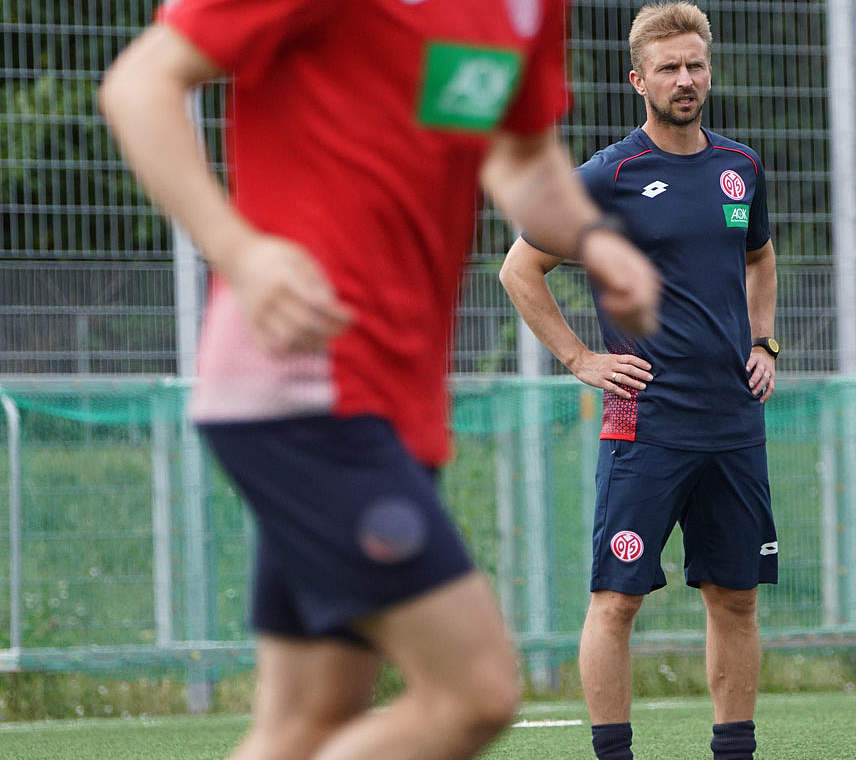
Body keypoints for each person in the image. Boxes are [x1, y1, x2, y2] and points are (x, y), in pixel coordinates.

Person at [99, 1, 660, 758]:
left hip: (395, 399)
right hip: (307, 385)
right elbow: (140, 83)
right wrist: (239, 251)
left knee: (306, 723)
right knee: (474, 693)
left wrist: (596, 241)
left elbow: (520, 159)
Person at [499, 4, 778, 759]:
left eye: (695, 65)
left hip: (733, 422)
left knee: (736, 598)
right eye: (668, 68)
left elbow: (759, 257)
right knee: (617, 599)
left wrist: (765, 342)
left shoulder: (740, 167)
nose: (685, 80)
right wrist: (580, 360)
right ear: (638, 80)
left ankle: (734, 753)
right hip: (646, 424)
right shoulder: (607, 175)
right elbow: (520, 269)